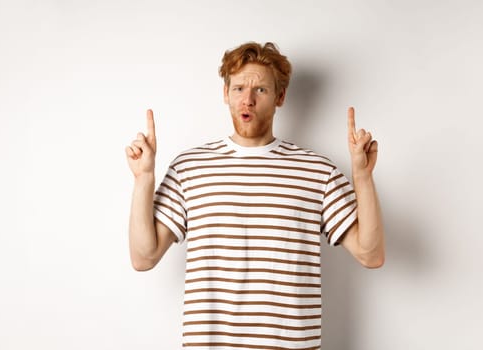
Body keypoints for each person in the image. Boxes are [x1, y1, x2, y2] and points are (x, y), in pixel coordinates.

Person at [124, 42, 385, 349]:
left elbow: (371, 254)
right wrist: (144, 179)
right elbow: (143, 257)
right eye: (237, 89)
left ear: (280, 97)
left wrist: (362, 177)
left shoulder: (318, 171)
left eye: (260, 90)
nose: (247, 100)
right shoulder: (189, 168)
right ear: (225, 94)